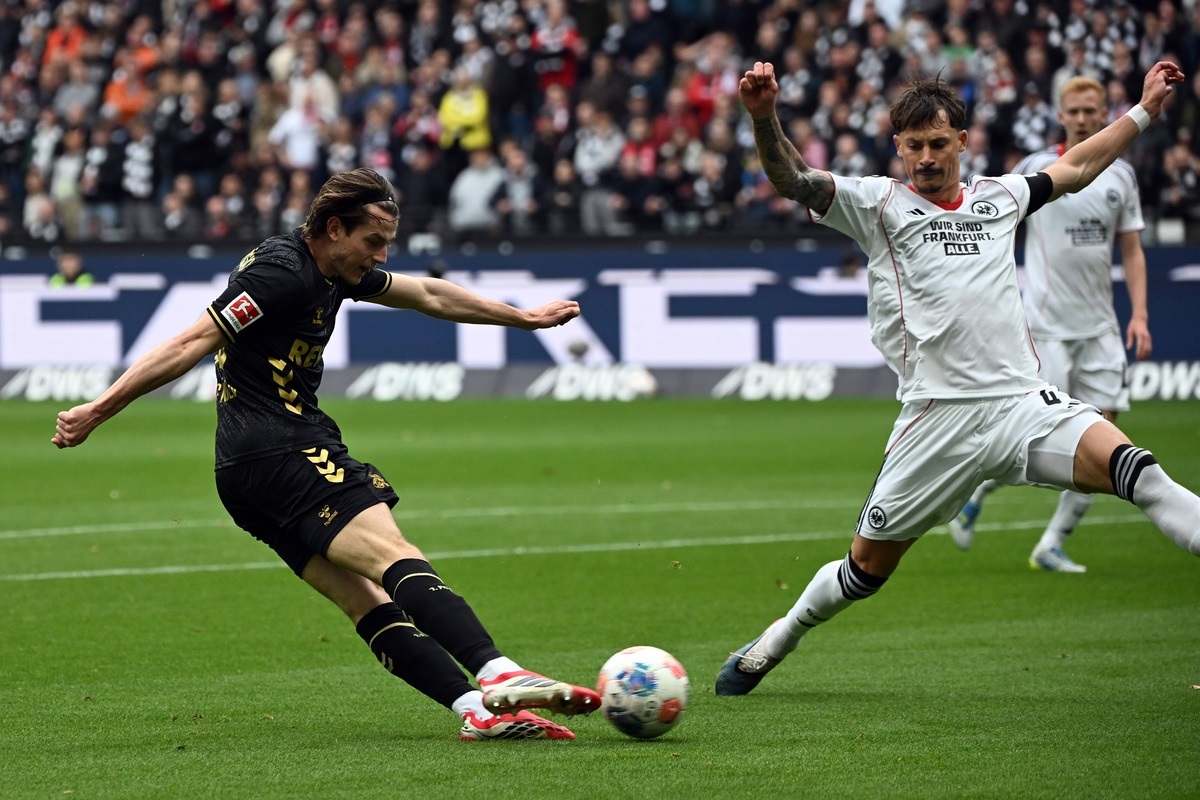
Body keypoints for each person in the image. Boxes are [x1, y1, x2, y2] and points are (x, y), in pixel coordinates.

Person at [52, 167, 600, 740]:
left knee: (362, 599)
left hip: (241, 474)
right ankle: (499, 673)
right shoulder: (281, 273)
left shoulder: (335, 267)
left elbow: (429, 293)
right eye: (373, 241)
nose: (381, 255)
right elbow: (191, 342)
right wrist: (99, 409)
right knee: (393, 555)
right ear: (333, 228)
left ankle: (474, 711)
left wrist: (521, 317)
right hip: (283, 447)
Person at [716, 60, 1198, 697]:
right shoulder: (876, 204)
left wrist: (1143, 112)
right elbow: (795, 179)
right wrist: (762, 117)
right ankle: (778, 638)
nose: (925, 158)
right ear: (898, 148)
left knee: (1141, 471)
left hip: (1022, 405)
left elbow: (1077, 166)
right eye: (913, 146)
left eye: (938, 144)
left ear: (962, 143)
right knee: (864, 569)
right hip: (934, 420)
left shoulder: (999, 198)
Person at [949, 77, 1153, 573]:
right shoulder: (1034, 170)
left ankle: (1051, 544)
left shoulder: (1121, 177)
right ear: (1060, 114)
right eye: (1075, 110)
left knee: (1106, 444)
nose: (1083, 118)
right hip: (1046, 331)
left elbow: (1131, 248)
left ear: (1105, 111)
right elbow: (992, 232)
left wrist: (1140, 315)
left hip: (1101, 331)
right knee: (1034, 438)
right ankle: (977, 492)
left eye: (1092, 110)